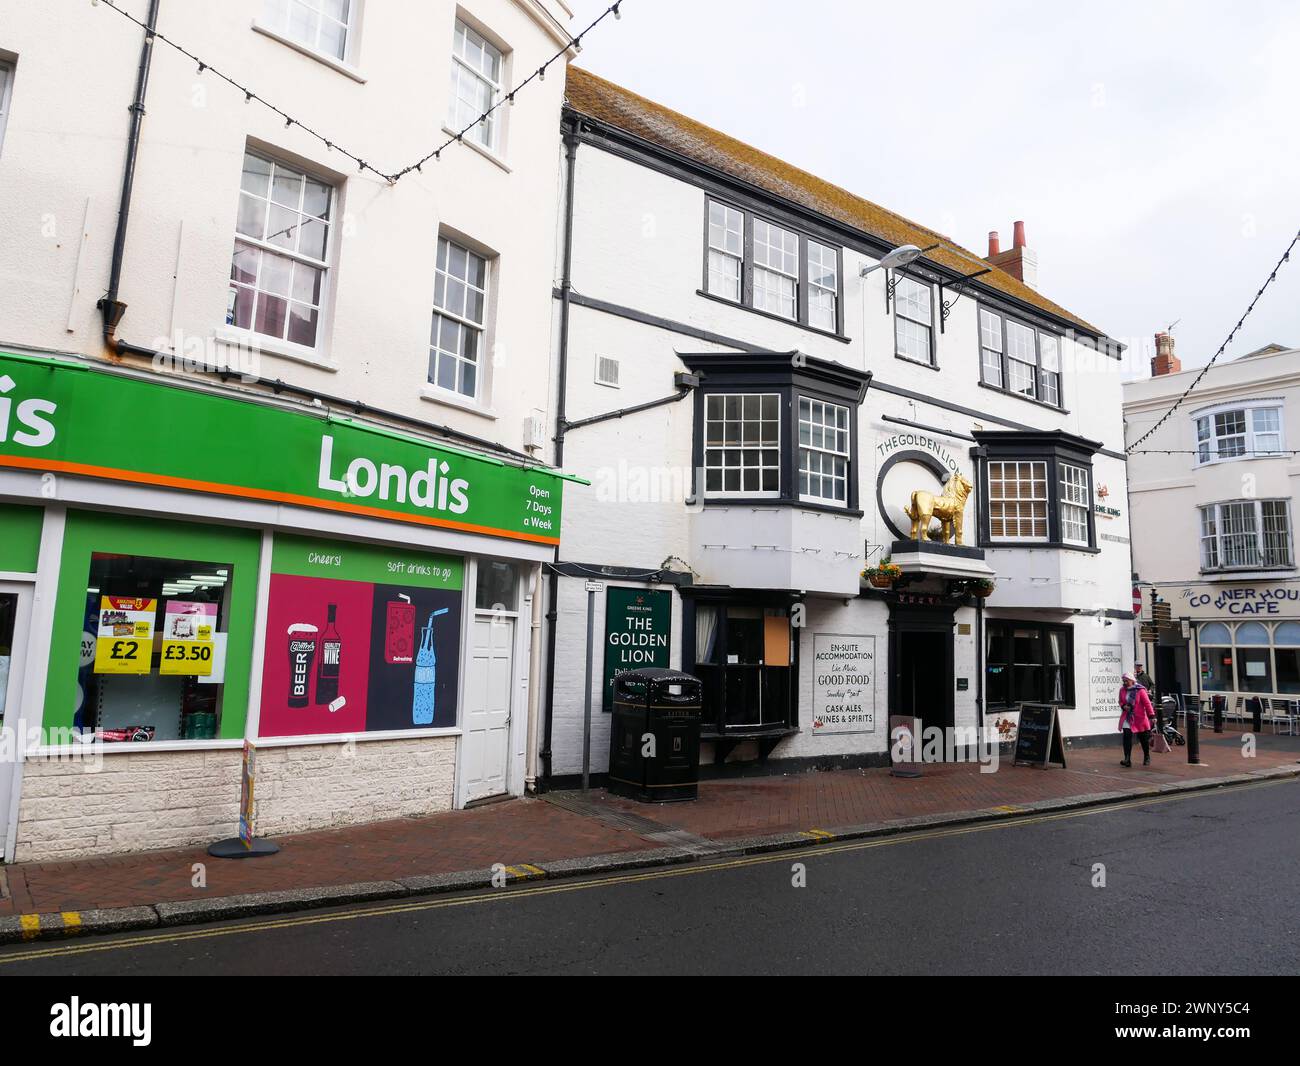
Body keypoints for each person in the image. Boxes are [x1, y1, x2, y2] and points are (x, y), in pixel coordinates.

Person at [1118, 671, 1154, 767]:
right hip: (1127, 717)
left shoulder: (1140, 690)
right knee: (1126, 736)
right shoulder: (1122, 690)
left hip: (1139, 718)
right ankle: (1127, 759)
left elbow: (1147, 703)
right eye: (1123, 681)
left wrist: (1152, 715)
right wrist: (1123, 706)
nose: (1125, 683)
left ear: (1132, 681)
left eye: (1126, 681)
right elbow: (1120, 701)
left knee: (1143, 738)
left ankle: (1147, 756)